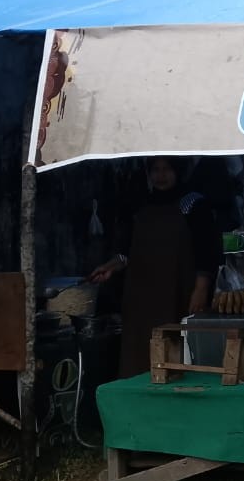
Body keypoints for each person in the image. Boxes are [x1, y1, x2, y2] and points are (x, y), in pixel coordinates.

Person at [91, 157, 222, 378]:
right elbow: (128, 251)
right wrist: (111, 267)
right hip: (141, 297)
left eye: (167, 169)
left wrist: (201, 289)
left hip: (178, 293)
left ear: (178, 171)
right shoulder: (142, 204)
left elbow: (206, 251)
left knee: (175, 352)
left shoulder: (192, 204)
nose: (161, 176)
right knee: (140, 354)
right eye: (156, 170)